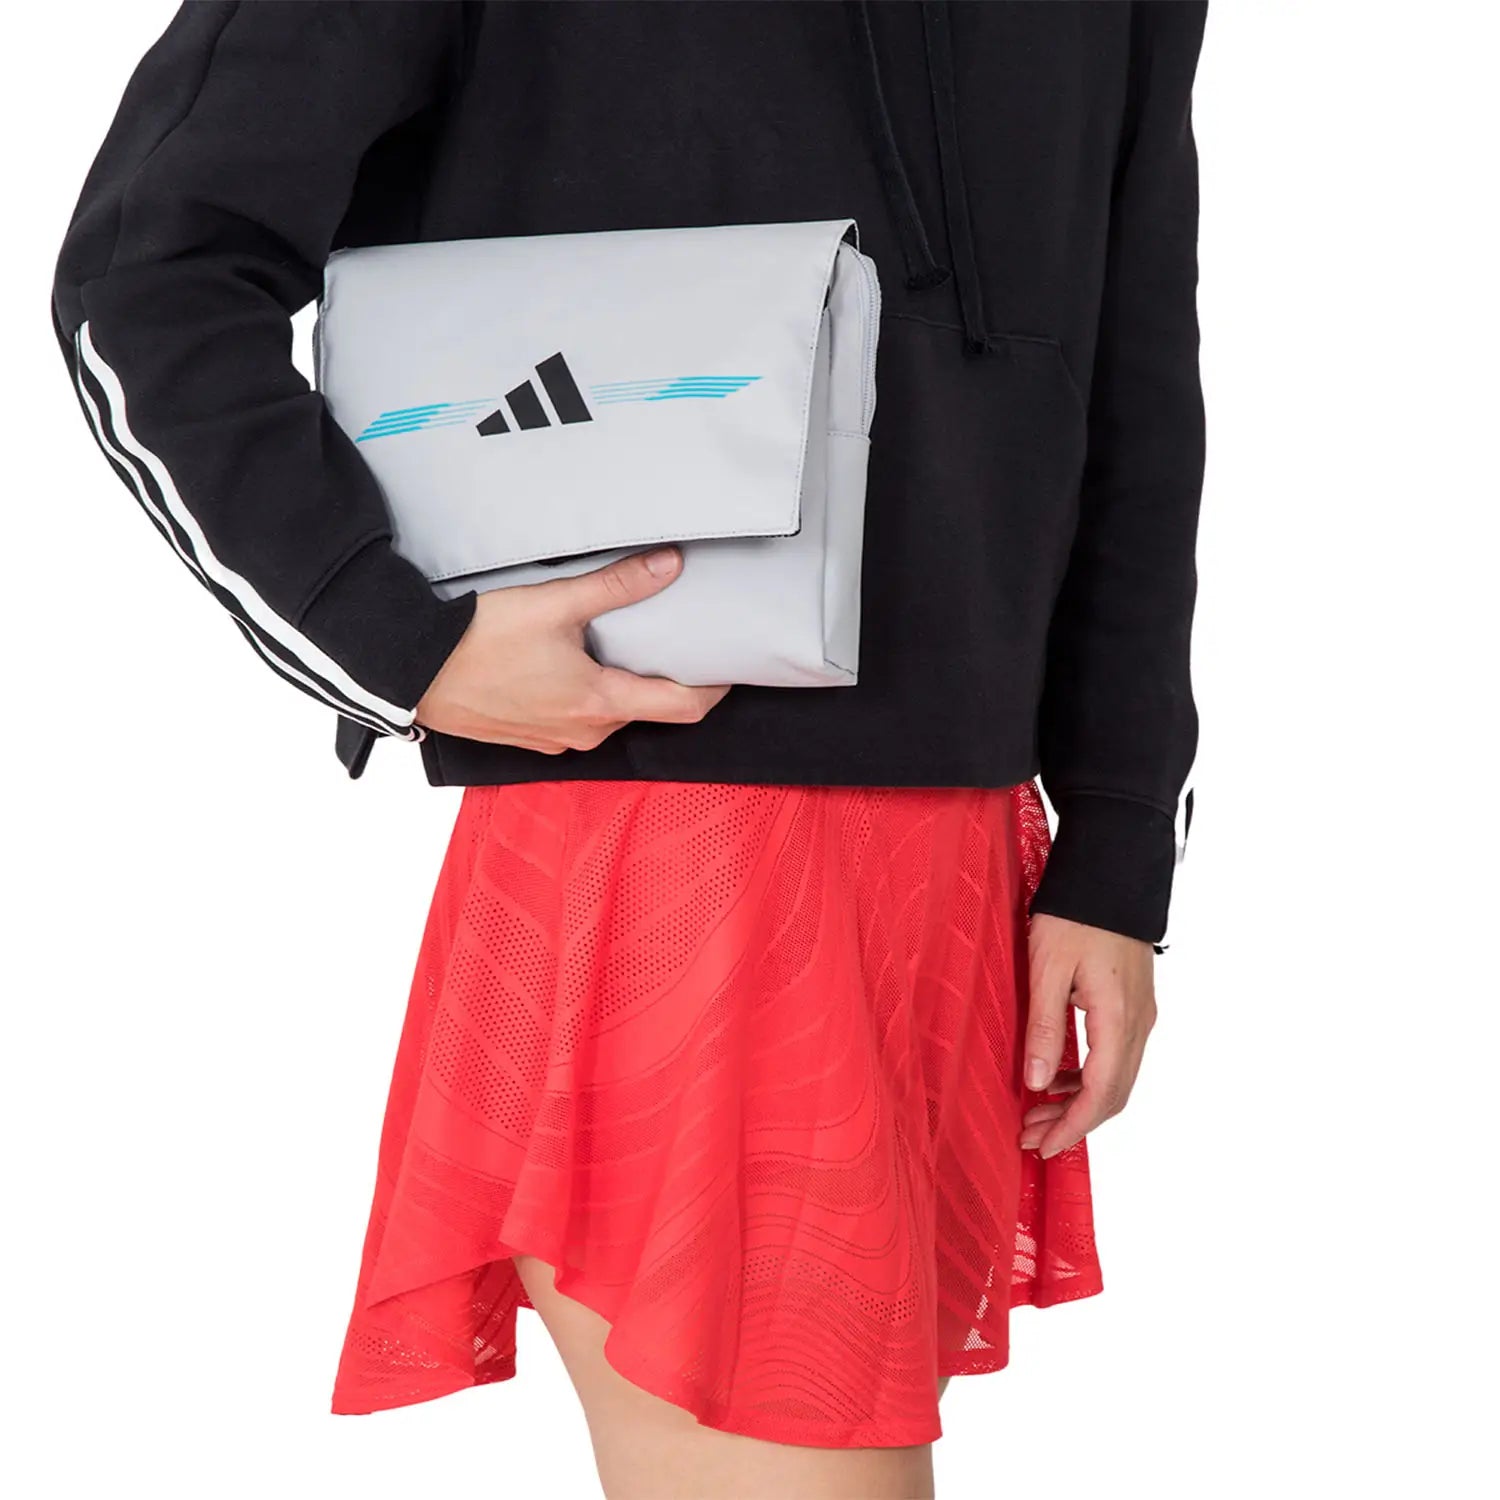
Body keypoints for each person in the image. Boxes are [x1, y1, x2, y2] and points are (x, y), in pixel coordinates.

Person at [51, 2, 1206, 1496]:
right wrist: (393, 641)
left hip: (966, 851)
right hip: (676, 834)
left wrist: (1117, 834)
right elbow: (149, 269)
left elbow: (1134, 362)